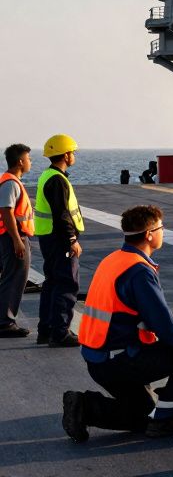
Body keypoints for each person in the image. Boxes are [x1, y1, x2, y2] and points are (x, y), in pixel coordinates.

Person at [62, 205, 173, 441]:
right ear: (150, 233)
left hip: (98, 358)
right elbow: (160, 317)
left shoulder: (113, 260)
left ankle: (85, 407)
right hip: (119, 360)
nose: (163, 232)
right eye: (162, 227)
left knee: (143, 415)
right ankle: (166, 421)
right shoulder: (138, 271)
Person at [34, 133, 84, 347]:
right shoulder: (57, 180)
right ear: (65, 155)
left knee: (52, 283)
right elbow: (62, 213)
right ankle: (60, 333)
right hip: (59, 239)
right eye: (72, 152)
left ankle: (45, 331)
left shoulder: (48, 175)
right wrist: (72, 239)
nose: (73, 155)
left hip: (49, 238)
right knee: (66, 283)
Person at [0, 144, 34, 337]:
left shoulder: (9, 181)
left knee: (10, 277)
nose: (30, 162)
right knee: (14, 278)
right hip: (12, 237)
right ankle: (5, 323)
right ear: (20, 161)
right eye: (28, 158)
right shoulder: (11, 183)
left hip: (9, 237)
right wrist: (16, 240)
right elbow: (6, 211)